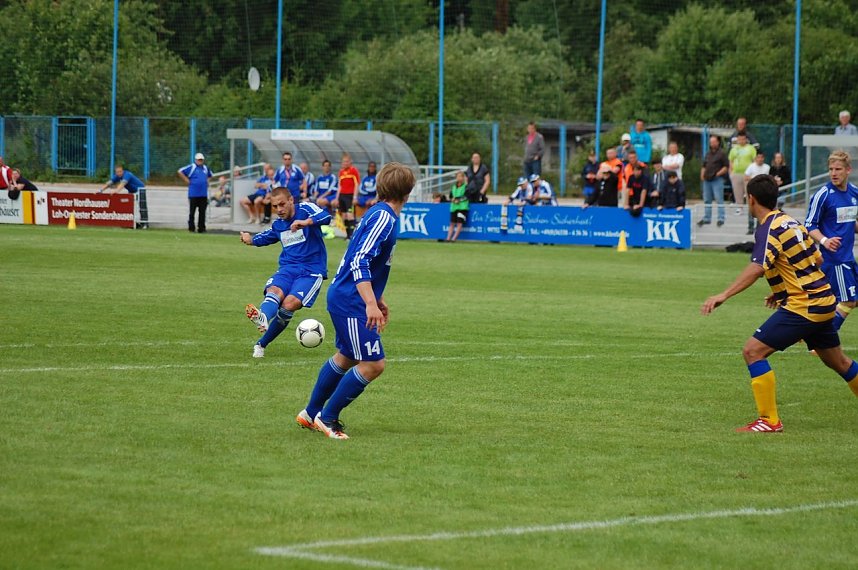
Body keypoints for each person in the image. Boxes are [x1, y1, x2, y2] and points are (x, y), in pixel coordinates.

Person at [701, 174, 858, 433]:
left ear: (751, 199)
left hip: (805, 305)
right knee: (839, 362)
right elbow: (815, 259)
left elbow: (757, 267)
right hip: (823, 300)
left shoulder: (768, 227)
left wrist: (723, 295)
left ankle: (769, 421)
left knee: (753, 351)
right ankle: (769, 421)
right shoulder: (790, 222)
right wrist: (783, 288)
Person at [295, 162, 416, 439]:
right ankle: (328, 418)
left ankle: (309, 413)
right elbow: (360, 260)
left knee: (347, 356)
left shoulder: (380, 214)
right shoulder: (384, 217)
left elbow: (364, 261)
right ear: (407, 191)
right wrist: (369, 304)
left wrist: (377, 297)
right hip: (351, 299)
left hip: (348, 295)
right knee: (374, 364)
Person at [241, 187, 332, 359]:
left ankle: (262, 343)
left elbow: (326, 216)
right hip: (287, 269)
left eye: (282, 204)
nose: (279, 210)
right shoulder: (278, 225)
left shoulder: (306, 209)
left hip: (311, 271)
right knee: (273, 292)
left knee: (289, 304)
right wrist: (250, 239)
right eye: (275, 207)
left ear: (291, 200)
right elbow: (266, 236)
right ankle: (263, 317)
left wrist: (306, 222)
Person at [804, 151, 858, 333]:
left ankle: (808, 330)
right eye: (831, 169)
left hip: (848, 257)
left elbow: (849, 222)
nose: (834, 173)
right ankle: (822, 341)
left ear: (848, 170)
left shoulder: (854, 193)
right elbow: (810, 225)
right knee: (848, 300)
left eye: (838, 169)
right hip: (835, 259)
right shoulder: (823, 194)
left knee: (850, 299)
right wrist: (825, 240)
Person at [100, 164, 149, 228]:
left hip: (140, 189)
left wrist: (116, 191)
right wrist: (100, 190)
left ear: (123, 171)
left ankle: (145, 224)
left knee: (142, 207)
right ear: (115, 172)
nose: (119, 173)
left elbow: (123, 183)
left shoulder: (127, 174)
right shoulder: (117, 176)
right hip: (131, 191)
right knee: (129, 207)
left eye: (120, 171)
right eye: (117, 172)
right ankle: (131, 223)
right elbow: (109, 183)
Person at [178, 152, 213, 233]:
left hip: (203, 194)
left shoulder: (205, 168)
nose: (200, 161)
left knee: (202, 212)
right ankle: (191, 227)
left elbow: (211, 175)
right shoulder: (192, 167)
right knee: (192, 212)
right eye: (199, 160)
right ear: (196, 160)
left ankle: (201, 228)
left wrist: (207, 181)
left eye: (201, 160)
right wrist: (186, 180)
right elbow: (180, 171)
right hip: (193, 194)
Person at [699, 135, 729, 227]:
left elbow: (726, 166)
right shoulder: (708, 154)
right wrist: (702, 174)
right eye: (711, 142)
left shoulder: (722, 154)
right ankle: (707, 218)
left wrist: (718, 174)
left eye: (714, 142)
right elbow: (704, 165)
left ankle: (721, 218)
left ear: (718, 142)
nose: (712, 144)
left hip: (717, 179)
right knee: (707, 200)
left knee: (719, 199)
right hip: (707, 180)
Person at [333, 153, 360, 239]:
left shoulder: (353, 171)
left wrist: (355, 197)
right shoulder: (341, 172)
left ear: (350, 162)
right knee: (344, 216)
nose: (345, 163)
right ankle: (347, 235)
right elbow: (340, 186)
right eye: (344, 162)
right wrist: (337, 198)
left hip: (350, 196)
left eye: (347, 161)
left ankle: (352, 235)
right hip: (342, 196)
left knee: (350, 215)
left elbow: (356, 184)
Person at [728, 132, 756, 212]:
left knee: (749, 191)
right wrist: (731, 173)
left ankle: (750, 208)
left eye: (743, 139)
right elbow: (731, 161)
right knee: (737, 191)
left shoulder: (751, 148)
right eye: (739, 139)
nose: (741, 141)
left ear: (746, 139)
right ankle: (739, 207)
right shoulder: (734, 149)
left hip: (747, 174)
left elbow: (754, 160)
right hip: (736, 173)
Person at [744, 152, 770, 234]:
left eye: (761, 158)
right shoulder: (751, 166)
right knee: (751, 210)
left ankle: (759, 228)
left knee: (761, 210)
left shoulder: (767, 167)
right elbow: (746, 176)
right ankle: (750, 228)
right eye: (758, 158)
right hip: (752, 191)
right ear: (756, 158)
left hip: (763, 192)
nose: (760, 159)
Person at [446, 170, 468, 242]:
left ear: (463, 178)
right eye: (457, 176)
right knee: (452, 223)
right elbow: (450, 196)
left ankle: (453, 239)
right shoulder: (454, 186)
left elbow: (466, 196)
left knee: (459, 223)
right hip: (454, 207)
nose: (459, 178)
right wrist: (453, 200)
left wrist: (458, 200)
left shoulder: (466, 186)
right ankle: (448, 238)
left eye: (460, 176)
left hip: (462, 208)